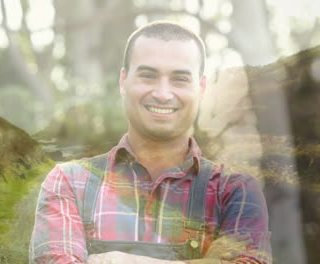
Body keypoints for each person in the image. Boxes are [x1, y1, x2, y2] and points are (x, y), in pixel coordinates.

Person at [30, 21, 271, 264]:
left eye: (179, 79)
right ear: (123, 81)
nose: (162, 94)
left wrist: (117, 261)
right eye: (148, 76)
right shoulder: (70, 182)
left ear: (201, 87)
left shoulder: (234, 191)